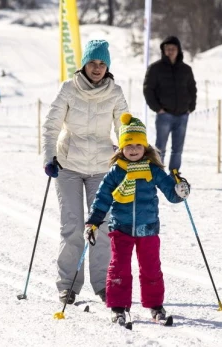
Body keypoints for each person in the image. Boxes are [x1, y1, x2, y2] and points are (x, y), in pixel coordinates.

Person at [42, 39, 129, 305]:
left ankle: (103, 285)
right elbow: (51, 124)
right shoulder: (69, 89)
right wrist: (49, 157)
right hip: (68, 166)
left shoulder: (115, 92)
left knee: (101, 227)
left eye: (102, 64)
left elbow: (125, 127)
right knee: (73, 226)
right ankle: (68, 285)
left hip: (101, 169)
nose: (97, 68)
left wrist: (128, 155)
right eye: (93, 62)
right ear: (84, 64)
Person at [84, 113, 191, 326]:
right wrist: (94, 221)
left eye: (138, 145)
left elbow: (171, 193)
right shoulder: (116, 172)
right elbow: (103, 197)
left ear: (145, 147)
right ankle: (118, 306)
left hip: (148, 228)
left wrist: (180, 190)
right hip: (121, 228)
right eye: (129, 145)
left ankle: (155, 306)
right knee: (119, 268)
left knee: (151, 268)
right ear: (121, 148)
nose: (133, 149)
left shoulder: (153, 170)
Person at [143, 36, 197, 172]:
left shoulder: (186, 69)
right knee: (160, 147)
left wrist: (191, 107)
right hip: (164, 114)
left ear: (178, 50)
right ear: (163, 51)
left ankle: (174, 174)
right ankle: (157, 173)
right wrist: (157, 108)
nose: (170, 51)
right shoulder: (155, 68)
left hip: (183, 115)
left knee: (177, 149)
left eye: (173, 49)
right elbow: (148, 89)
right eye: (168, 49)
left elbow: (192, 88)